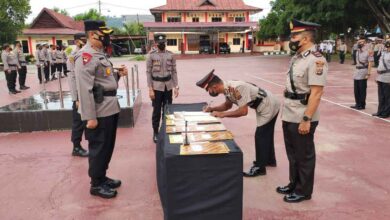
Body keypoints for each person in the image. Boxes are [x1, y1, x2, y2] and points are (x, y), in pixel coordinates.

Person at [276, 19, 328, 203]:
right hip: (290, 112)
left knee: (304, 155)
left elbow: (316, 93)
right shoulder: (297, 57)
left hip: (303, 115)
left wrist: (306, 119)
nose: (291, 39)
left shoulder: (316, 60)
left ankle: (304, 191)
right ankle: (294, 183)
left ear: (305, 38)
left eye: (294, 36)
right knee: (292, 153)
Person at [75, 20, 128, 199]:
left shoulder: (99, 54)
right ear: (91, 35)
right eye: (103, 35)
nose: (107, 38)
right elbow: (84, 88)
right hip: (99, 111)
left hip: (110, 107)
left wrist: (117, 75)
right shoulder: (86, 56)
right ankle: (95, 185)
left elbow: (105, 83)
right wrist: (90, 117)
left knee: (107, 146)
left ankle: (102, 176)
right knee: (98, 148)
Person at [196, 70, 280, 176]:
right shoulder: (227, 89)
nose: (210, 92)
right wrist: (212, 109)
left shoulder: (237, 87)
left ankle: (260, 168)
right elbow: (227, 106)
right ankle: (269, 160)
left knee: (261, 135)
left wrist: (223, 115)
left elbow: (243, 111)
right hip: (264, 103)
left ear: (215, 86)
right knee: (266, 133)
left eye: (209, 90)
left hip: (268, 104)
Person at [146, 33, 179, 143]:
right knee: (156, 111)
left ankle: (166, 130)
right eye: (160, 43)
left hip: (168, 86)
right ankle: (156, 132)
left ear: (166, 42)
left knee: (167, 109)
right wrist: (150, 89)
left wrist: (176, 86)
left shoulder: (171, 55)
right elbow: (148, 73)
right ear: (156, 43)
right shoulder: (151, 55)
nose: (162, 44)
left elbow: (174, 71)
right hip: (156, 87)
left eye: (163, 43)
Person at [67, 33, 89, 157]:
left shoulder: (86, 54)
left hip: (87, 93)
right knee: (78, 122)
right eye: (83, 40)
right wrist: (76, 98)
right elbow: (72, 78)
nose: (85, 42)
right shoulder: (73, 57)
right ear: (77, 42)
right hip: (79, 96)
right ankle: (76, 147)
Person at [350, 37, 374, 110]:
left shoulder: (368, 51)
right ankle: (357, 103)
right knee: (356, 89)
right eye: (359, 42)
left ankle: (362, 104)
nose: (360, 43)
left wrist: (369, 73)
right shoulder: (357, 51)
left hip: (364, 71)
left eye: (362, 42)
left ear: (365, 43)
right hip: (357, 71)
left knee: (362, 89)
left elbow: (370, 63)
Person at [372, 40, 390, 118]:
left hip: (388, 77)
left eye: (389, 47)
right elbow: (380, 65)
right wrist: (377, 76)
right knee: (381, 96)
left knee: (387, 96)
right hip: (381, 76)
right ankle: (380, 111)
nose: (387, 48)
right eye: (387, 46)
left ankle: (386, 112)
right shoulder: (383, 53)